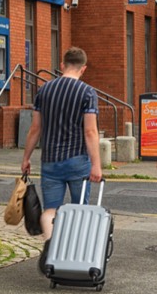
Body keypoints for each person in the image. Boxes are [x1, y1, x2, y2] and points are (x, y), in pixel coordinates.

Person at [21, 46, 103, 240]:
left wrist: (26, 158)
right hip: (78, 161)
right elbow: (90, 131)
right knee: (79, 209)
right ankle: (75, 252)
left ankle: (51, 246)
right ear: (83, 69)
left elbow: (35, 129)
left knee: (50, 210)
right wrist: (97, 164)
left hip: (50, 161)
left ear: (62, 65)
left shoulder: (44, 90)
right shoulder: (87, 93)